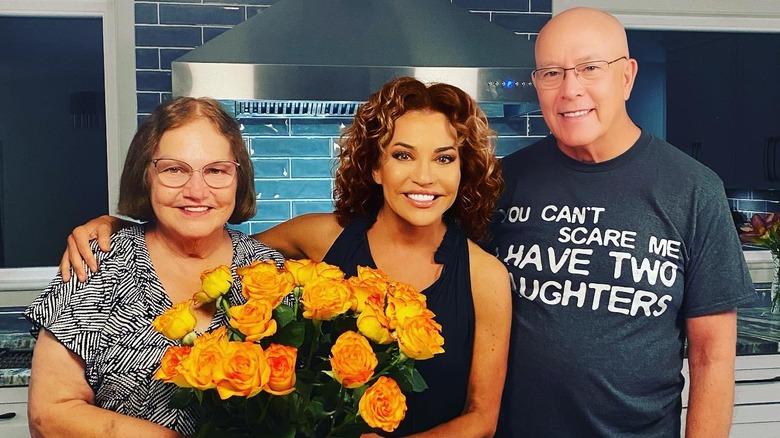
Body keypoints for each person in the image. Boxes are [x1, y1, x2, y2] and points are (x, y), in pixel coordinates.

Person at [57, 77, 512, 437]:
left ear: (464, 167)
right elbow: (216, 237)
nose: (424, 177)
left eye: (444, 158)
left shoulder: (485, 277)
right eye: (402, 155)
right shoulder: (319, 238)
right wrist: (123, 227)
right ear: (376, 167)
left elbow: (481, 418)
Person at [485, 7, 757, 437]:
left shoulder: (694, 189)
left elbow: (713, 357)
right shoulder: (502, 182)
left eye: (589, 68)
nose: (570, 89)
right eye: (551, 73)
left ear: (627, 77)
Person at [25, 97, 284, 437]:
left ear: (238, 178)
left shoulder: (271, 273)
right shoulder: (97, 264)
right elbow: (49, 415)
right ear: (145, 175)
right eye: (174, 169)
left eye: (216, 170)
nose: (196, 191)